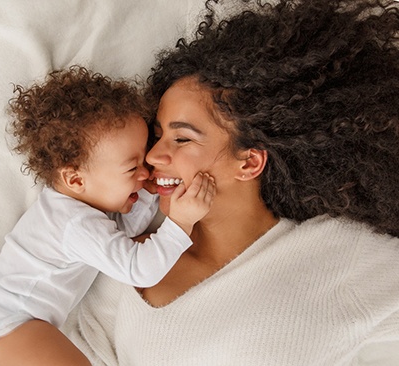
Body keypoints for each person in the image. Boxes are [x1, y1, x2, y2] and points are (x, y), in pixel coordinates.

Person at [65, 0, 399, 364]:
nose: (152, 156)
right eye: (157, 136)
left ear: (250, 161)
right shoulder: (127, 255)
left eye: (182, 139)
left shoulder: (339, 254)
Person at [0, 66, 216, 366]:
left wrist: (147, 192)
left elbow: (123, 233)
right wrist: (180, 223)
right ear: (75, 179)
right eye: (132, 168)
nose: (146, 172)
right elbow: (138, 267)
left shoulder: (78, 207)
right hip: (4, 320)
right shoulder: (75, 223)